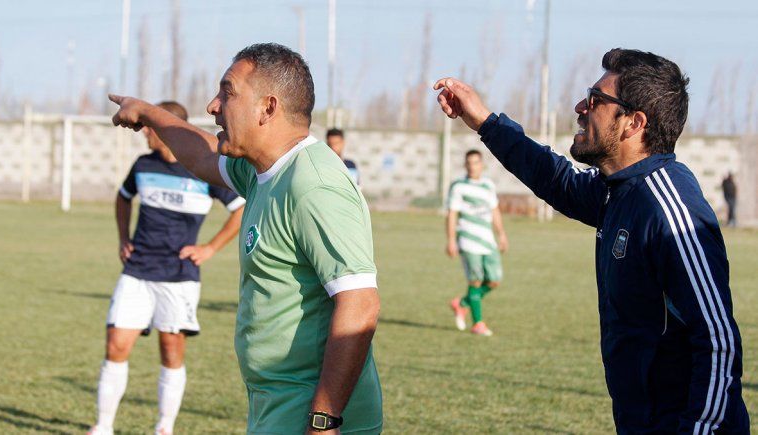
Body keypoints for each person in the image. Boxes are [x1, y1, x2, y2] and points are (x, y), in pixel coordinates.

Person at [434, 48, 749, 433]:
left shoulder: (669, 212)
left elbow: (718, 341)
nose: (580, 107)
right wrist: (484, 121)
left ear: (634, 123)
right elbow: (555, 179)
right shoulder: (620, 190)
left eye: (596, 99)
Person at [109, 43, 382, 434]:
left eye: (228, 93)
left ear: (267, 108)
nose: (213, 106)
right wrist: (149, 112)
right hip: (279, 402)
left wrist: (325, 419)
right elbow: (203, 156)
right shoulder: (264, 171)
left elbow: (360, 305)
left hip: (311, 412)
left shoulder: (314, 184)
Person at [89, 101, 245, 435]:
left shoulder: (203, 170)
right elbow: (123, 197)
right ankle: (103, 426)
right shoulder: (143, 165)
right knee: (116, 345)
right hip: (137, 271)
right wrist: (123, 237)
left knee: (171, 350)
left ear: (168, 129)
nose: (145, 131)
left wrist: (210, 248)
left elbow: (240, 208)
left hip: (179, 276)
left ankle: (164, 427)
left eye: (150, 125)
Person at [446, 149, 508, 336]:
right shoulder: (458, 186)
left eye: (476, 163)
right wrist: (451, 240)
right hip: (467, 240)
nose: (472, 166)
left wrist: (502, 234)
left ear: (482, 165)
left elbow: (495, 211)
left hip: (487, 240)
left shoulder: (488, 186)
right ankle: (478, 324)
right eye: (469, 163)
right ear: (465, 165)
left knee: (494, 280)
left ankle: (462, 303)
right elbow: (452, 214)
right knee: (475, 280)